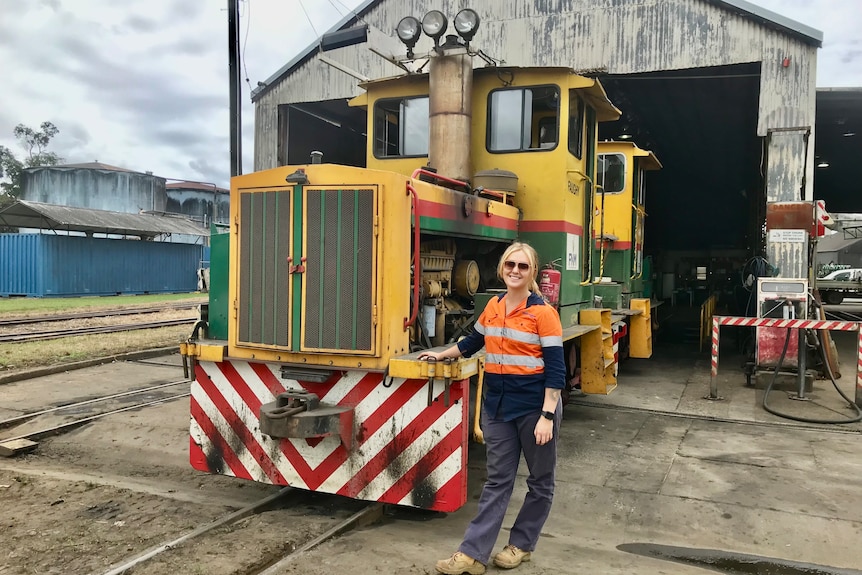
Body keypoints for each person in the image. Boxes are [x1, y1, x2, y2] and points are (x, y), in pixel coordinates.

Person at [418, 242, 565, 574]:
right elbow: (472, 343)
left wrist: (546, 416)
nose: (515, 271)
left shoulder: (543, 313)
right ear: (501, 269)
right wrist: (441, 355)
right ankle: (472, 554)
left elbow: (556, 371)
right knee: (498, 481)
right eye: (510, 265)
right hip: (498, 408)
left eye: (523, 267)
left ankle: (522, 544)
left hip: (534, 409)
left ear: (532, 273)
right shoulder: (494, 307)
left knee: (540, 481)